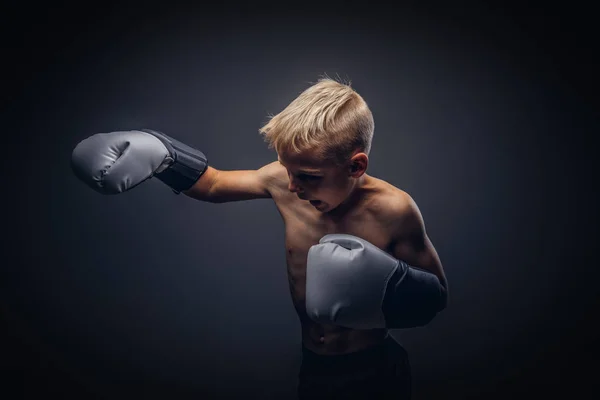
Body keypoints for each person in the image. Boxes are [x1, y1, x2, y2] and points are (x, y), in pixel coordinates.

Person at [71, 77, 448, 399]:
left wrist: (384, 289)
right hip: (315, 367)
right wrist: (160, 151)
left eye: (309, 176)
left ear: (356, 166)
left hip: (377, 371)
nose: (292, 186)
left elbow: (435, 295)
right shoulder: (285, 181)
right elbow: (214, 184)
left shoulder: (394, 210)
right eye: (287, 170)